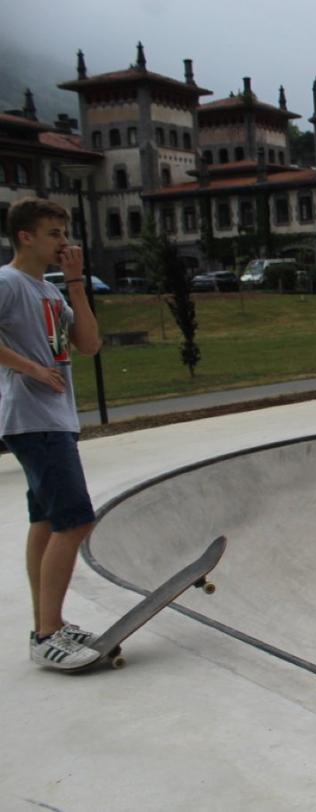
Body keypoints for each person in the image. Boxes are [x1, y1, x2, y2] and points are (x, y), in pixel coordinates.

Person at [1, 198, 103, 670]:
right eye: (54, 234)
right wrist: (31, 370)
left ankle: (52, 622)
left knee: (45, 520)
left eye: (64, 233)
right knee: (75, 520)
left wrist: (77, 284)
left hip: (54, 419)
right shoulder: (8, 282)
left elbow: (89, 345)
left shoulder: (51, 292)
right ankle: (46, 635)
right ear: (26, 236)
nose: (63, 242)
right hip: (33, 418)